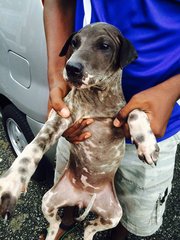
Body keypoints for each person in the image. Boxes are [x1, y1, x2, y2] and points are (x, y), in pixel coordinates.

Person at [43, 1, 180, 239]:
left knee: (124, 215)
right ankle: (64, 224)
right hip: (82, 110)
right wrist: (57, 75)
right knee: (70, 184)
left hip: (155, 125)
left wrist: (171, 91)